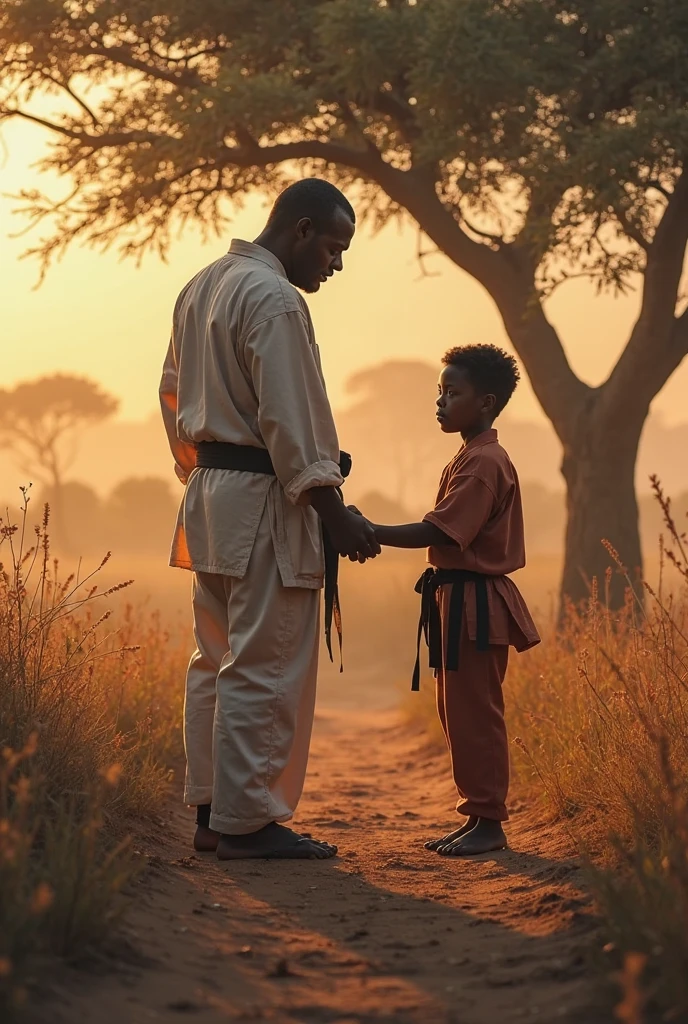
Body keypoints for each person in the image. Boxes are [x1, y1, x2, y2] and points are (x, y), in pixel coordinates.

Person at [159, 178, 380, 861]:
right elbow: (291, 416)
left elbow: (170, 393)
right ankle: (248, 823)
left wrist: (203, 471)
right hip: (264, 497)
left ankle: (211, 814)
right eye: (335, 248)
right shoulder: (275, 298)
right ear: (303, 229)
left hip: (210, 491)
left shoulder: (202, 284)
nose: (337, 266)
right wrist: (332, 510)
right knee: (265, 662)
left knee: (215, 658)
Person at [366, 344, 540, 856]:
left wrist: (367, 530)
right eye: (439, 392)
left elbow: (438, 530)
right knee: (456, 713)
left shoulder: (484, 462)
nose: (440, 402)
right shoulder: (470, 454)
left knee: (476, 713)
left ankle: (489, 822)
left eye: (452, 392)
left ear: (485, 402)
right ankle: (476, 815)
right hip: (457, 600)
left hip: (476, 605)